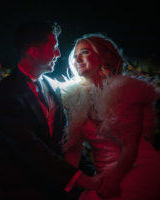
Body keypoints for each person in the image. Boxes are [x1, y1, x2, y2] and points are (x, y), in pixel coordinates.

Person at [0, 21, 96, 200]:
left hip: (50, 191)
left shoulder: (51, 87)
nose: (58, 54)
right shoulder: (4, 93)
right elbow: (29, 146)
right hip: (16, 192)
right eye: (53, 47)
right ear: (33, 52)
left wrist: (91, 173)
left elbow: (64, 140)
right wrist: (77, 178)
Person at [60, 33, 160, 199]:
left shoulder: (126, 90)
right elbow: (73, 150)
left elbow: (131, 147)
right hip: (103, 177)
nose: (77, 59)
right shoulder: (75, 100)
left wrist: (112, 179)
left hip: (137, 168)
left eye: (84, 52)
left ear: (103, 56)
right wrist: (67, 182)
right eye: (75, 55)